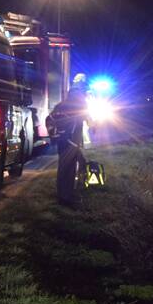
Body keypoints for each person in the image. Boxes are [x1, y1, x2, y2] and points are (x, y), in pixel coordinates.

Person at [50, 73, 89, 206]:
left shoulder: (63, 104)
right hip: (70, 141)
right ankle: (65, 198)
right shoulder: (79, 102)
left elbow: (51, 119)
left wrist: (55, 135)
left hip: (65, 140)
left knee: (66, 169)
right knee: (68, 169)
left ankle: (65, 196)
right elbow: (86, 117)